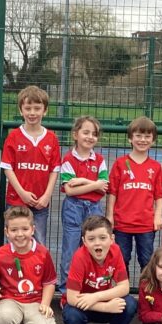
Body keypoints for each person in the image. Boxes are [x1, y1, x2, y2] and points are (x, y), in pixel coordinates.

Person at [61, 215, 137, 324]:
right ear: (84, 241)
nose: (97, 243)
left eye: (103, 238)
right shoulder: (79, 257)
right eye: (91, 239)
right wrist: (105, 307)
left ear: (112, 239)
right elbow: (72, 298)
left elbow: (124, 287)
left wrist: (96, 297)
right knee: (71, 315)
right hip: (83, 306)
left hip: (98, 301)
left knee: (130, 304)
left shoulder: (116, 251)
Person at [0, 85, 61, 245]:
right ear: (21, 110)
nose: (32, 113)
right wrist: (22, 193)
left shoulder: (52, 138)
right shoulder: (14, 136)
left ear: (45, 110)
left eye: (37, 108)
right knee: (14, 242)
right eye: (28, 108)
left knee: (38, 243)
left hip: (40, 202)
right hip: (16, 201)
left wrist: (47, 196)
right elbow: (7, 168)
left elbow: (54, 170)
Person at [106, 115, 162, 274]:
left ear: (153, 140)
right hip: (122, 223)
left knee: (146, 260)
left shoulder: (155, 167)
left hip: (145, 224)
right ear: (130, 139)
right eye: (138, 136)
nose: (142, 140)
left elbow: (159, 195)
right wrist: (110, 216)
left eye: (147, 136)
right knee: (121, 259)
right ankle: (122, 288)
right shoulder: (120, 164)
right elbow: (112, 193)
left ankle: (146, 289)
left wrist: (157, 216)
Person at [58, 115, 109, 293]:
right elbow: (70, 191)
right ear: (75, 134)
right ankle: (66, 291)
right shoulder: (68, 159)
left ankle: (91, 288)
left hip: (94, 207)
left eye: (94, 134)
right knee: (71, 251)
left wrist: (81, 181)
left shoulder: (100, 160)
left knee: (95, 248)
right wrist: (94, 184)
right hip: (73, 207)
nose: (90, 137)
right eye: (86, 132)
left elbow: (104, 188)